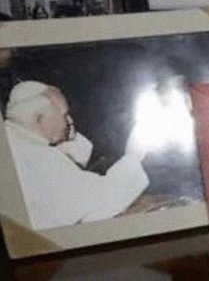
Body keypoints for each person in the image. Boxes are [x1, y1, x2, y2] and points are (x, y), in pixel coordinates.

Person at [4, 81, 149, 231]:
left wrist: (67, 135)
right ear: (40, 120)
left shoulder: (16, 142)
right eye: (64, 115)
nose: (70, 121)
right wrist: (134, 156)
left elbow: (69, 170)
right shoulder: (34, 156)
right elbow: (99, 202)